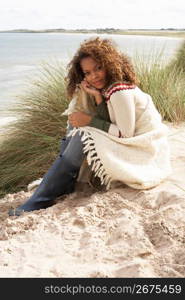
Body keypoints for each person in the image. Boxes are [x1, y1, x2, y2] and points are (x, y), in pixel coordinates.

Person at [9, 37, 171, 216]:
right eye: (87, 73)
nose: (94, 76)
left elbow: (125, 135)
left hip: (144, 151)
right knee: (76, 127)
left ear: (110, 63)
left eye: (98, 68)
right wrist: (97, 97)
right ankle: (63, 184)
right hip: (138, 145)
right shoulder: (110, 90)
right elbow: (112, 122)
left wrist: (89, 121)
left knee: (82, 134)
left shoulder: (119, 91)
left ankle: (42, 198)